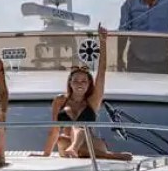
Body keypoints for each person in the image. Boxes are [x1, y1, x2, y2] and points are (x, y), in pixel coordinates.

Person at [38, 26, 132, 162]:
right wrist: (45, 155)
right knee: (61, 139)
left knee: (79, 127)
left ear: (89, 84)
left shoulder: (92, 101)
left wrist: (103, 42)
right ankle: (108, 155)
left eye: (84, 81)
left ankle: (77, 149)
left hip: (92, 144)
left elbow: (101, 72)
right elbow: (54, 130)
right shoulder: (60, 100)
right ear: (70, 83)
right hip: (67, 145)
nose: (80, 84)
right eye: (76, 81)